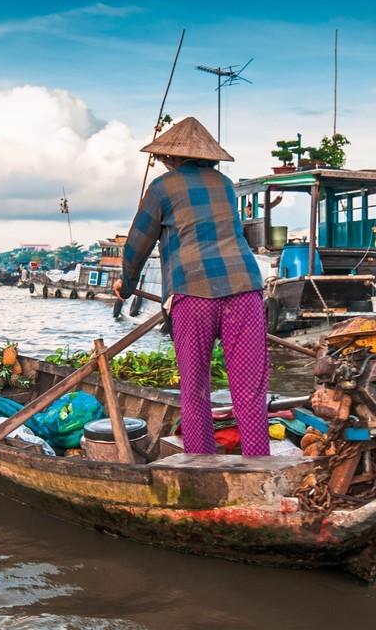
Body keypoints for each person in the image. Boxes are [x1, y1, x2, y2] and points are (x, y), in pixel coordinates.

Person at [114, 117, 270, 456]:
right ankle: (259, 462)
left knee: (195, 387)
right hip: (245, 289)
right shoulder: (225, 185)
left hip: (193, 294)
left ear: (171, 158)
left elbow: (137, 244)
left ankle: (201, 461)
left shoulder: (161, 188)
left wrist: (125, 286)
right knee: (249, 388)